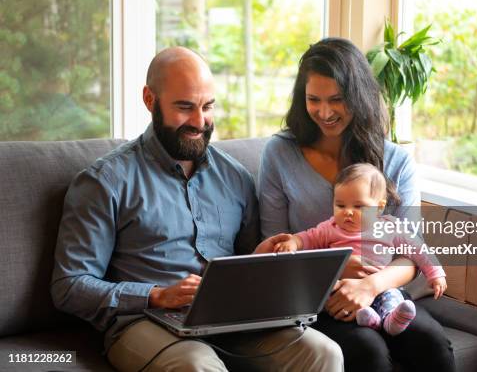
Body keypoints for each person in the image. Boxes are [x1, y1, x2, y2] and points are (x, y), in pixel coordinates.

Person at [51, 46, 343, 372]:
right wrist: (157, 295)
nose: (199, 121)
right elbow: (69, 286)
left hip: (232, 318)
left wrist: (260, 259)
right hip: (145, 323)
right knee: (196, 365)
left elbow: (244, 262)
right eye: (184, 107)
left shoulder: (235, 177)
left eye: (207, 107)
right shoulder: (104, 182)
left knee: (322, 353)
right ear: (150, 100)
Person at [256, 37, 456, 371]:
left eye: (337, 99)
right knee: (368, 350)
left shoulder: (396, 160)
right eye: (313, 99)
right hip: (314, 296)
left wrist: (370, 284)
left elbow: (409, 253)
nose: (324, 112)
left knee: (432, 344)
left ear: (358, 96)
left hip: (384, 289)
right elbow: (277, 249)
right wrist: (334, 268)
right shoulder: (280, 154)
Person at [270, 163, 448, 337]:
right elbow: (306, 238)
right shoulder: (329, 228)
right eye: (340, 205)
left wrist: (435, 273)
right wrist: (293, 241)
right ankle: (369, 319)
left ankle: (390, 321)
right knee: (328, 298)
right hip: (342, 291)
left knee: (393, 297)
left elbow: (418, 249)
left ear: (379, 207)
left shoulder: (390, 227)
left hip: (381, 288)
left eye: (358, 206)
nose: (348, 212)